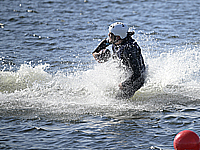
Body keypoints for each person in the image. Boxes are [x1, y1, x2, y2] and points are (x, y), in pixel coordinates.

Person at [92, 22, 146, 99]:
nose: (108, 36)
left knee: (117, 100)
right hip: (127, 73)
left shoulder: (129, 50)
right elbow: (106, 42)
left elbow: (137, 73)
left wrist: (123, 84)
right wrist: (95, 52)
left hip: (136, 79)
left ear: (118, 37)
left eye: (111, 34)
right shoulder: (117, 40)